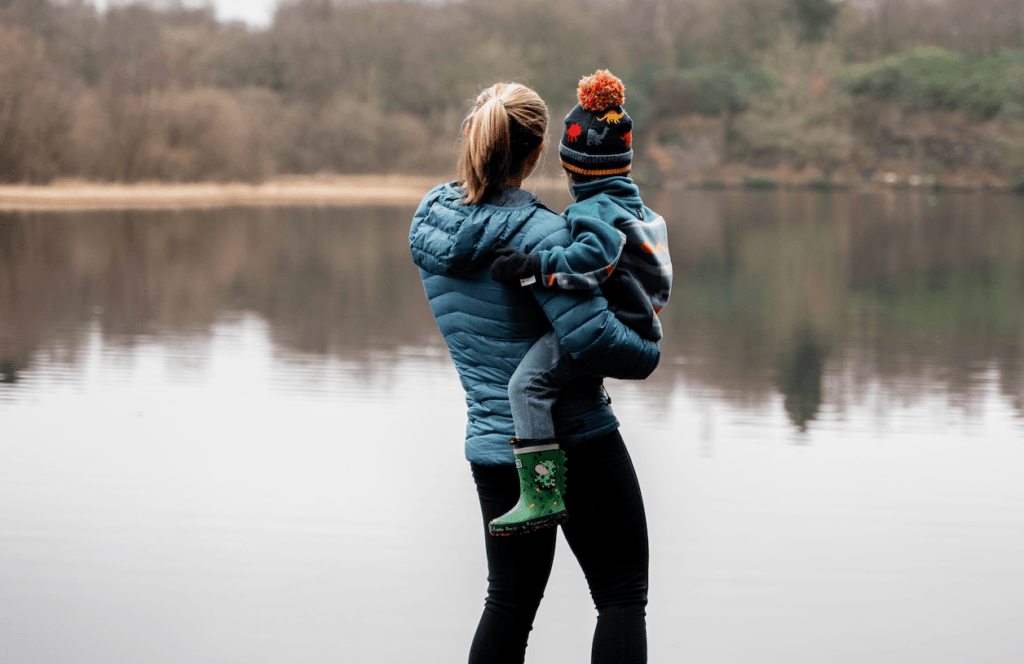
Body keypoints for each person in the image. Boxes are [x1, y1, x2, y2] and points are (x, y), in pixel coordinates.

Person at [409, 81, 658, 664]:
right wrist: (647, 338)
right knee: (621, 594)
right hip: (576, 446)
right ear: (537, 149)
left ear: (475, 139)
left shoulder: (433, 224)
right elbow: (599, 342)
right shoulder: (545, 236)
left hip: (494, 446)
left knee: (509, 604)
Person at [486, 69, 671, 536]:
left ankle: (540, 495)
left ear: (575, 171)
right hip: (637, 323)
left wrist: (533, 265)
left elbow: (593, 261)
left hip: (618, 321)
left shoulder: (594, 211)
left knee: (525, 386)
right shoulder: (635, 206)